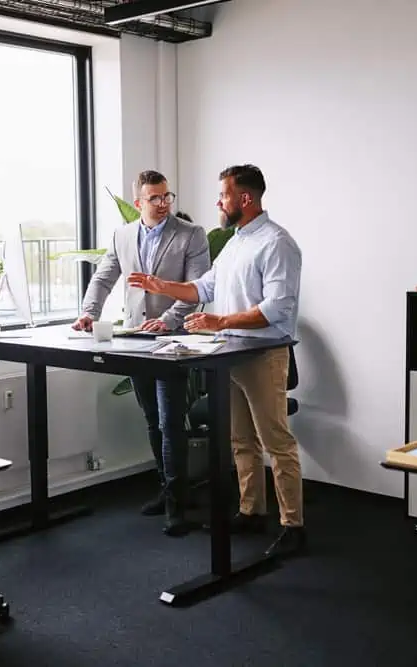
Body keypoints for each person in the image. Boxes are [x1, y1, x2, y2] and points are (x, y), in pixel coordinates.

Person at [127, 164, 306, 559]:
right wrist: (161, 285)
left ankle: (293, 526)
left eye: (223, 195)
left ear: (245, 198)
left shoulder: (277, 243)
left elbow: (276, 308)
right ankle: (250, 510)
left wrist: (219, 320)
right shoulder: (236, 241)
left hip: (262, 354)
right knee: (240, 439)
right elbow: (203, 288)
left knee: (276, 443)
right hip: (229, 354)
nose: (218, 201)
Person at [74, 170, 210, 536]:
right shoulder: (122, 235)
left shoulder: (191, 235)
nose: (164, 203)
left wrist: (168, 319)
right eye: (155, 198)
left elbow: (197, 288)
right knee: (152, 417)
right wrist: (89, 312)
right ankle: (168, 488)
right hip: (136, 339)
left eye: (167, 196)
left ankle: (177, 505)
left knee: (170, 421)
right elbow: (104, 277)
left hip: (175, 340)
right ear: (139, 204)